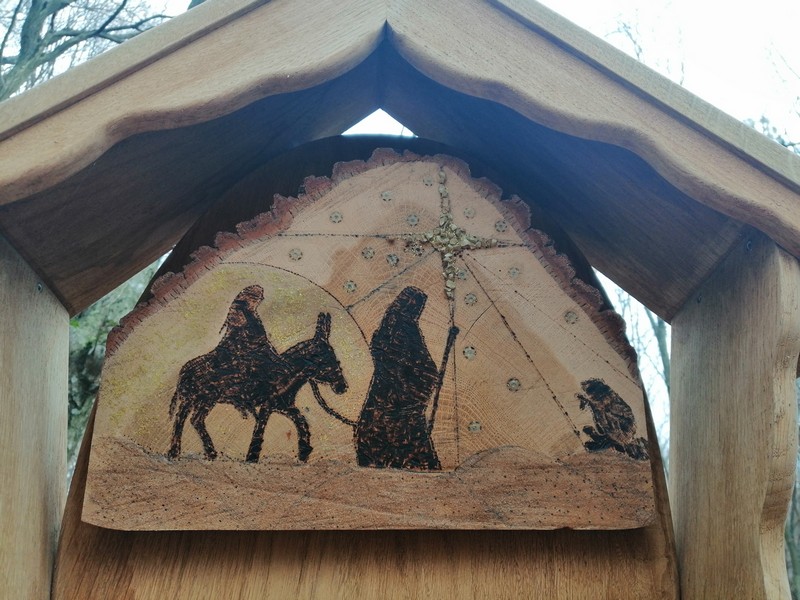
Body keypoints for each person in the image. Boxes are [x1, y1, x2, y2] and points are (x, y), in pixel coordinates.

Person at [355, 286, 441, 470]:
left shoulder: (385, 331)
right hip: (401, 412)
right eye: (415, 305)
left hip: (380, 409)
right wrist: (428, 378)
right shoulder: (406, 330)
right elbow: (421, 367)